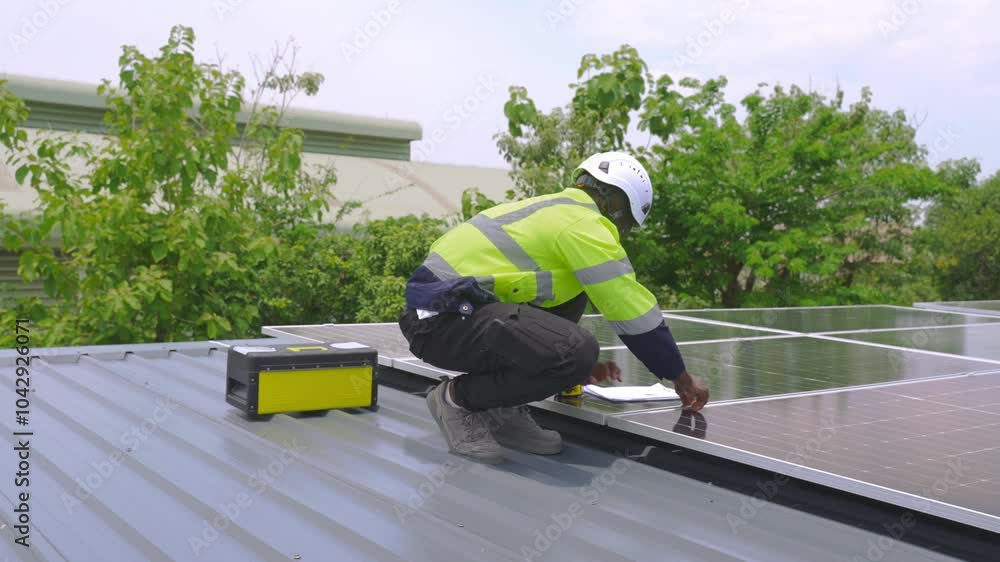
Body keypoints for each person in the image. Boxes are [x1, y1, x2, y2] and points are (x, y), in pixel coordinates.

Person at [398, 151, 710, 464]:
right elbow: (629, 307)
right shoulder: (583, 224)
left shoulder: (554, 209)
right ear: (616, 202)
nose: (623, 229)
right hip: (438, 322)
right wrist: (680, 377)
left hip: (450, 316)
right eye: (626, 220)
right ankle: (455, 401)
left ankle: (502, 410)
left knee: (574, 294)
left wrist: (567, 366)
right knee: (577, 350)